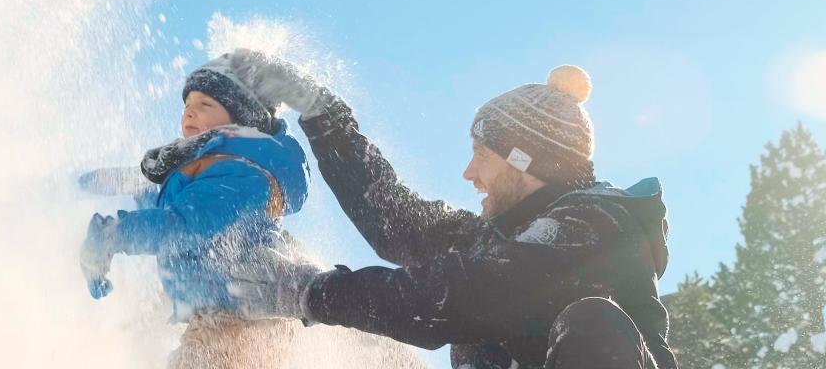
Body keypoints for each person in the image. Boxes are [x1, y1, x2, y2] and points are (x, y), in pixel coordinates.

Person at [214, 50, 677, 369]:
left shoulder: (595, 228)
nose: (468, 173)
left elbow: (459, 294)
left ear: (525, 161)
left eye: (482, 154)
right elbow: (394, 218)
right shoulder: (501, 240)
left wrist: (313, 294)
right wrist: (319, 110)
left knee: (594, 325)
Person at [78, 55, 312, 368]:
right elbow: (164, 203)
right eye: (188, 103)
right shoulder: (205, 166)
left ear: (239, 117)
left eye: (205, 105)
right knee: (142, 324)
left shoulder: (242, 174)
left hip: (243, 315)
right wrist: (76, 185)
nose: (190, 110)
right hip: (223, 311)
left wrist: (112, 235)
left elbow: (185, 225)